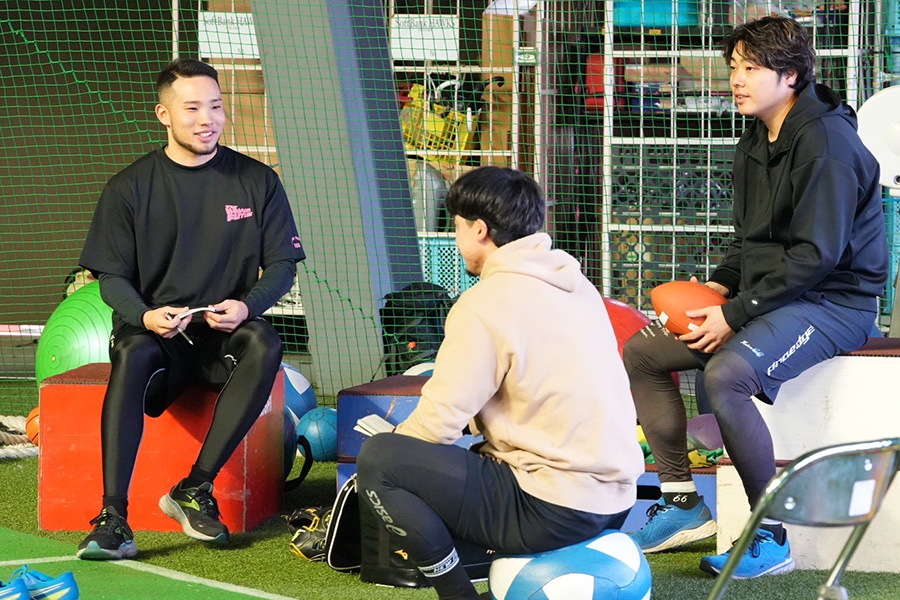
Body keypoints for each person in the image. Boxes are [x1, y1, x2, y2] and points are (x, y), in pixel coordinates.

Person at [624, 16, 888, 578]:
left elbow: (815, 257)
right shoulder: (756, 133)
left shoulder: (827, 145)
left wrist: (734, 314)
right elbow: (752, 238)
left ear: (789, 75)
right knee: (643, 354)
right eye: (734, 68)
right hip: (777, 294)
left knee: (725, 376)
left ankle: (770, 538)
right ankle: (679, 505)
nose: (736, 81)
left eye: (751, 69)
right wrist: (722, 282)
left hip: (835, 303)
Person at [356, 166, 645, 600]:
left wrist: (400, 441)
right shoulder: (576, 284)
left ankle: (458, 596)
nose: (456, 242)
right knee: (459, 461)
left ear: (480, 230)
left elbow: (437, 425)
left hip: (551, 507)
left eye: (456, 229)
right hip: (617, 502)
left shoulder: (482, 303)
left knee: (381, 460)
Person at [76, 58, 305, 560]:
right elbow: (110, 277)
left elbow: (284, 266)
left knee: (265, 340)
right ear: (164, 114)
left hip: (224, 337)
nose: (208, 118)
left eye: (217, 107)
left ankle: (195, 488)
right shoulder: (129, 187)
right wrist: (144, 316)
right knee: (132, 353)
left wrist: (247, 308)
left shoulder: (257, 181)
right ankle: (113, 518)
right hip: (158, 338)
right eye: (193, 107)